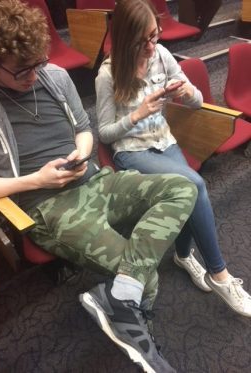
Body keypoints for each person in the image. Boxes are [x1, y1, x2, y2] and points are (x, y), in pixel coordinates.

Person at [0, 0, 199, 372]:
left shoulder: (55, 76)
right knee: (147, 277)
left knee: (182, 188)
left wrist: (81, 152)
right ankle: (140, 336)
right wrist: (35, 180)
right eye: (21, 70)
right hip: (47, 205)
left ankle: (117, 300)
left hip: (95, 179)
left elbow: (84, 130)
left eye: (38, 63)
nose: (33, 76)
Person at [96, 0, 251, 319]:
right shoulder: (107, 74)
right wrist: (137, 114)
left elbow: (195, 101)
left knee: (189, 192)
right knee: (193, 183)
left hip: (163, 140)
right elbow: (106, 133)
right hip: (132, 150)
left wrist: (185, 93)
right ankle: (220, 274)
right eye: (145, 40)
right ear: (127, 39)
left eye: (156, 35)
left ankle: (182, 255)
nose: (153, 46)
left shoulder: (162, 55)